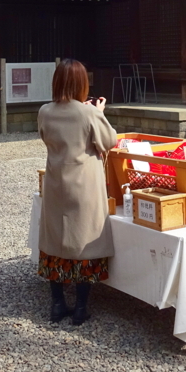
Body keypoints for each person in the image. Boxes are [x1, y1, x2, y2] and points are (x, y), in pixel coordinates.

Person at [37, 59, 116, 326]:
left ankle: (57, 303)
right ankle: (81, 306)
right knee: (85, 240)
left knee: (55, 239)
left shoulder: (45, 111)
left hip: (56, 180)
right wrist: (100, 112)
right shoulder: (88, 113)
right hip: (84, 184)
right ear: (83, 84)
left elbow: (44, 137)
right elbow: (109, 141)